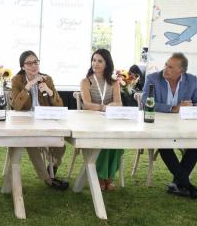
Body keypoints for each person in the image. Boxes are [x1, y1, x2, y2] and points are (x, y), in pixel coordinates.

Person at [142, 52, 197, 199]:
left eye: (171, 67)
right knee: (165, 145)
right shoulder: (153, 78)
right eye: (166, 64)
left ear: (181, 71)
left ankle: (177, 184)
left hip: (183, 127)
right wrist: (172, 108)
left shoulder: (191, 80)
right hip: (158, 127)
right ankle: (187, 184)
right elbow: (146, 102)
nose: (166, 69)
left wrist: (191, 106)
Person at [11, 50, 68, 190]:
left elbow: (59, 105)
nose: (33, 66)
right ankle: (48, 179)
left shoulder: (47, 79)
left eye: (36, 62)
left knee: (61, 144)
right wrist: (28, 87)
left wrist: (49, 92)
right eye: (29, 63)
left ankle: (52, 166)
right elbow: (16, 106)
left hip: (44, 120)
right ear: (22, 66)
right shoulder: (17, 80)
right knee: (31, 145)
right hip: (25, 122)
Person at [79, 49, 123, 191]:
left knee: (117, 141)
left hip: (109, 122)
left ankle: (108, 177)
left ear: (107, 63)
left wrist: (109, 107)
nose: (95, 64)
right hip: (91, 123)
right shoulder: (86, 81)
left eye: (99, 61)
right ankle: (100, 177)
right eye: (93, 60)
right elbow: (86, 104)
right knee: (103, 140)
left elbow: (119, 103)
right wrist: (104, 107)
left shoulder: (114, 83)